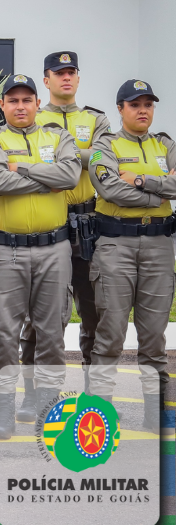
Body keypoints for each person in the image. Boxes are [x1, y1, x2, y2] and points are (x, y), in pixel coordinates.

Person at [0, 74, 80, 439]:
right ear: (2, 105)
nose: (20, 106)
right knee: (5, 332)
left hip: (55, 249)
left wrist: (21, 167)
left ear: (38, 103)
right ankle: (4, 413)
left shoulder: (59, 136)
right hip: (7, 250)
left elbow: (70, 175)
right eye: (13, 100)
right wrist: (48, 179)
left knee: (51, 332)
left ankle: (47, 410)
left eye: (26, 100)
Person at [17, 51, 113, 417]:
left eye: (71, 71)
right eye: (59, 73)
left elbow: (105, 160)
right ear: (46, 80)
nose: (66, 77)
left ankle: (95, 398)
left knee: (94, 313)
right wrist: (78, 159)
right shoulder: (33, 116)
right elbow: (89, 159)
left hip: (91, 226)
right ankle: (34, 395)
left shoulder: (96, 118)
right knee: (40, 318)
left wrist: (62, 160)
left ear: (78, 77)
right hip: (51, 224)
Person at [87, 79, 172, 431]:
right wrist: (162, 192)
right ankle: (98, 416)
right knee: (110, 333)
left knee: (154, 338)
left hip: (159, 246)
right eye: (135, 105)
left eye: (148, 104)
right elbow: (110, 189)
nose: (142, 110)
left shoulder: (165, 144)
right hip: (116, 245)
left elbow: (127, 187)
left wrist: (140, 180)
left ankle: (155, 413)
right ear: (120, 109)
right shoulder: (105, 145)